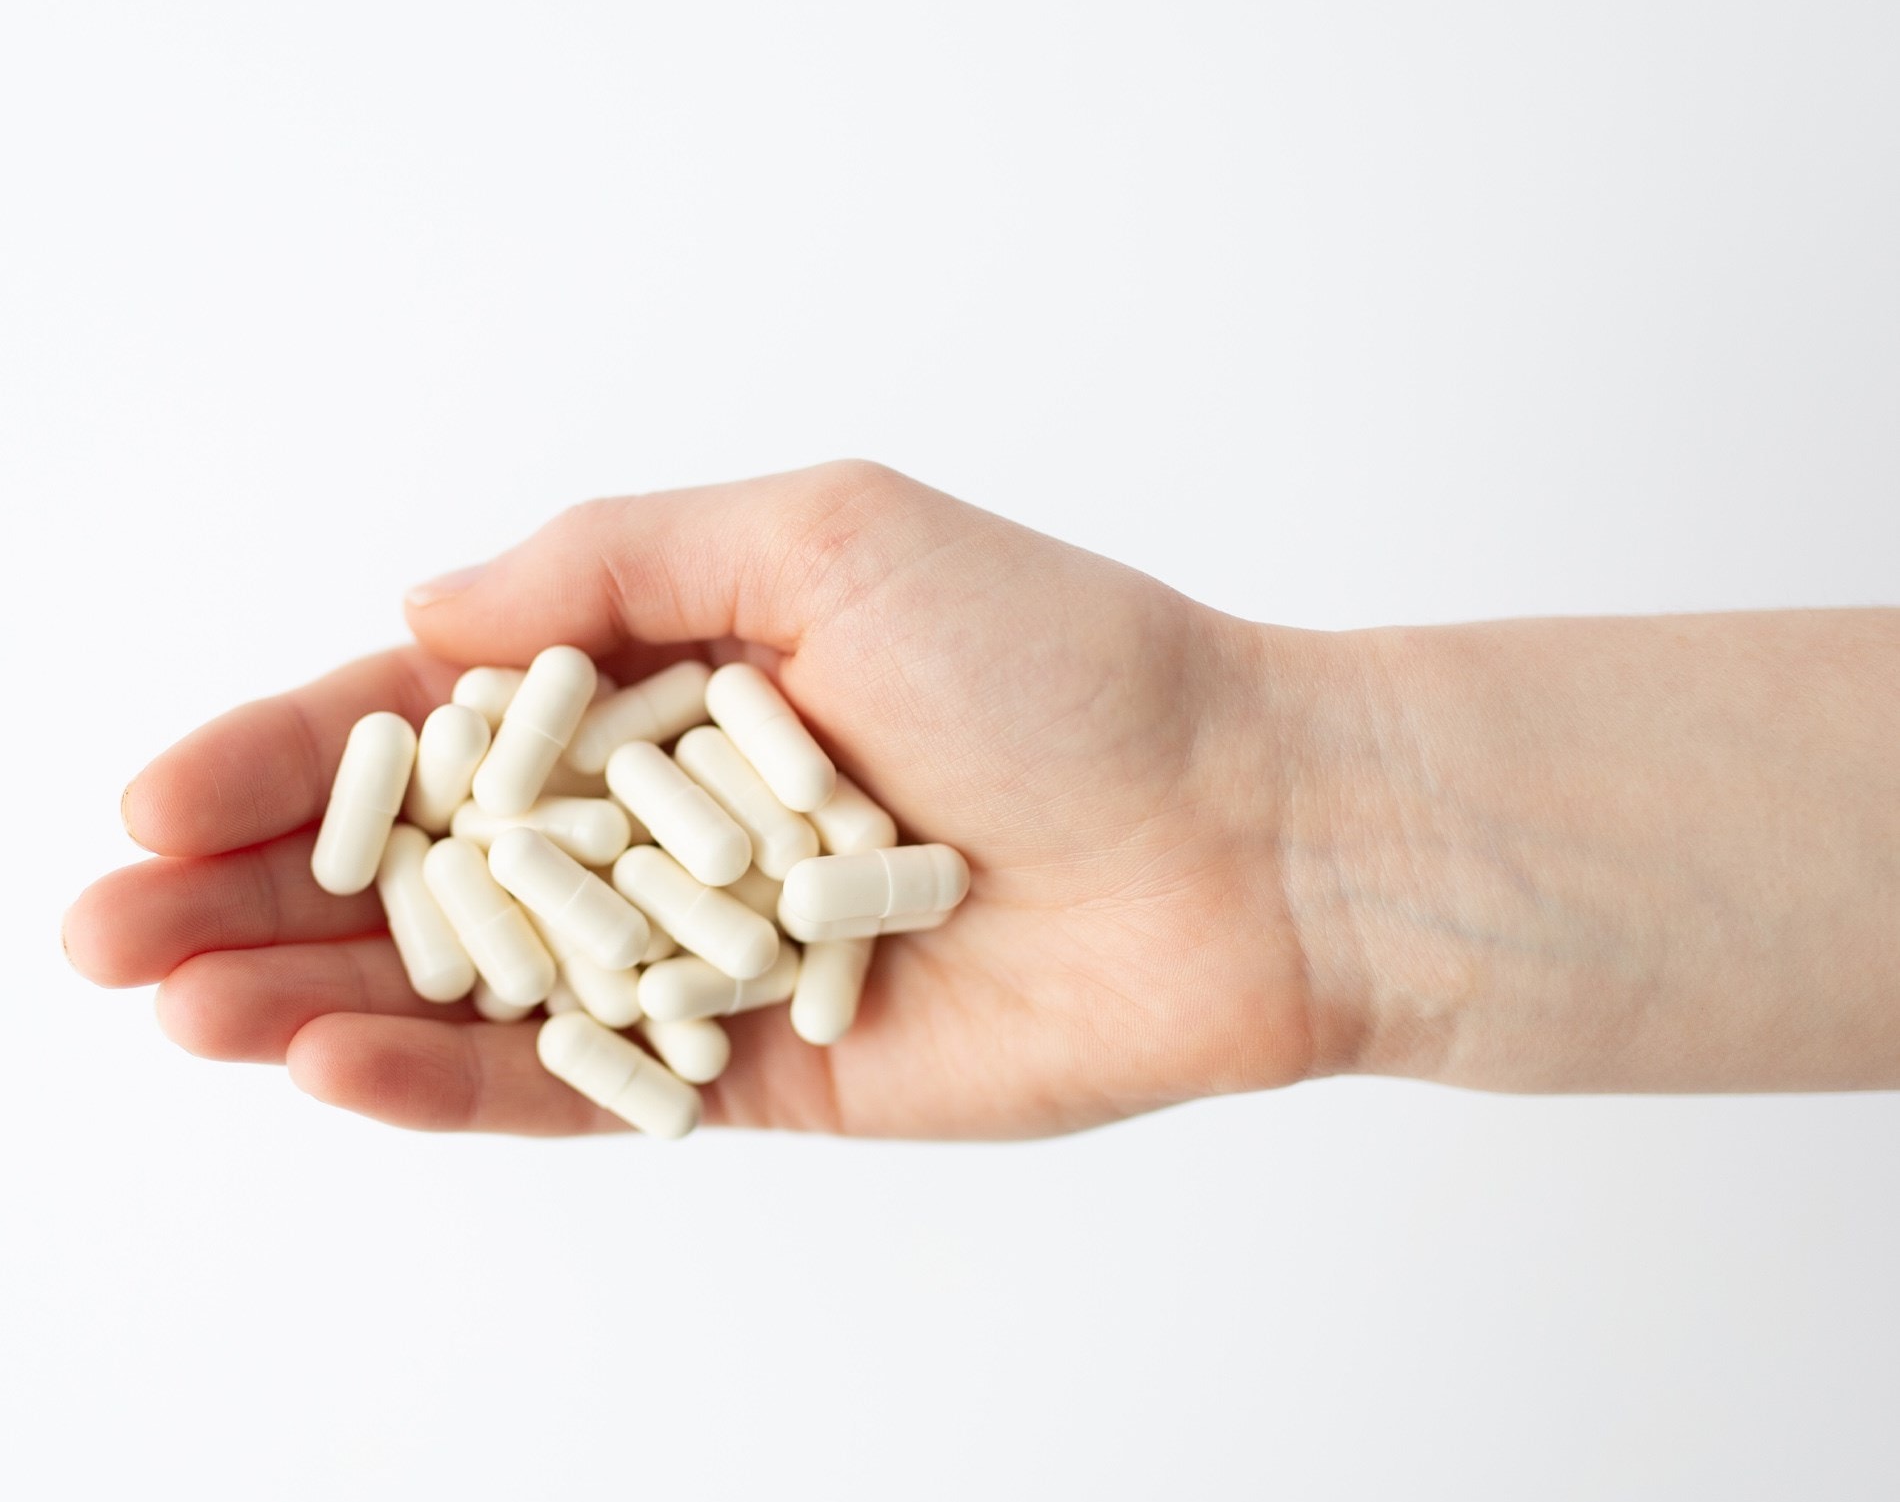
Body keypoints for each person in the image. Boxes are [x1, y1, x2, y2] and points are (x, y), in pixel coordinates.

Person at [61, 461, 1900, 1137]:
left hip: (726, 879)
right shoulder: (589, 833)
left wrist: (1305, 814)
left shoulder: (633, 828)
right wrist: (1315, 825)